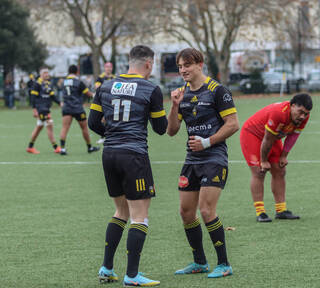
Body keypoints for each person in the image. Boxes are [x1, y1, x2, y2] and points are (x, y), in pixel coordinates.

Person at [88, 45, 168, 287]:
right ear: (148, 64)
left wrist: (112, 133)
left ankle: (106, 268)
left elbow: (93, 122)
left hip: (109, 153)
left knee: (120, 212)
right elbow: (161, 128)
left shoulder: (106, 85)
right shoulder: (151, 89)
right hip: (133, 155)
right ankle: (132, 276)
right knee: (139, 217)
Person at [167, 48, 239, 279]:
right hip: (192, 159)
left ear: (200, 64)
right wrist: (174, 106)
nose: (183, 70)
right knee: (186, 213)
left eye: (187, 65)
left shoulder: (218, 91)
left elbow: (233, 124)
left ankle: (224, 263)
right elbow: (171, 131)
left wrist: (207, 142)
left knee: (206, 210)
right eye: (179, 66)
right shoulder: (182, 93)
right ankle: (199, 262)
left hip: (214, 158)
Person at [240, 93, 313, 222]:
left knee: (280, 170)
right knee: (259, 171)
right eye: (300, 112)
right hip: (253, 134)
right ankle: (260, 212)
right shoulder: (279, 113)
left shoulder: (303, 118)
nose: (302, 116)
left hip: (271, 137)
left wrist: (284, 156)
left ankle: (281, 210)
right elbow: (267, 139)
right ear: (292, 105)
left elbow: (293, 136)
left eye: (306, 113)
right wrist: (263, 161)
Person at [59, 64, 99, 155]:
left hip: (66, 108)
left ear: (69, 72)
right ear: (77, 72)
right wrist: (97, 95)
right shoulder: (78, 82)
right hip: (77, 108)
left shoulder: (63, 82)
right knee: (84, 128)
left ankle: (62, 149)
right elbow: (88, 94)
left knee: (64, 128)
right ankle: (89, 147)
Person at [26, 68, 61, 154]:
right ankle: (56, 147)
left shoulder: (48, 84)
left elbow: (52, 96)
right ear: (41, 74)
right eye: (45, 73)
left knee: (39, 128)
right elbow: (33, 98)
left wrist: (60, 103)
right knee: (49, 125)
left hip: (47, 108)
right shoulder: (37, 84)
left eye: (47, 73)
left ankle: (30, 147)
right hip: (41, 109)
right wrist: (34, 110)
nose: (47, 74)